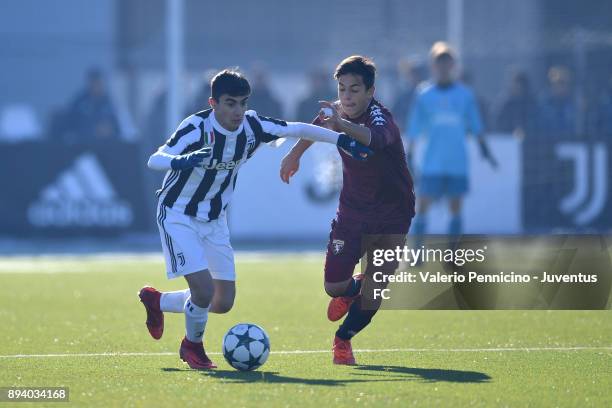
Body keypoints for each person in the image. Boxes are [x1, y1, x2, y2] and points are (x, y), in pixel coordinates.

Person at [138, 69, 371, 370]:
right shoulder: (196, 127)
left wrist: (341, 140)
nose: (237, 111)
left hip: (215, 219)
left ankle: (157, 302)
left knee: (222, 302)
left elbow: (297, 128)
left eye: (242, 103)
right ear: (213, 103)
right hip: (178, 215)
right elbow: (155, 159)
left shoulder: (252, 126)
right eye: (230, 103)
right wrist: (181, 161)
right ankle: (192, 347)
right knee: (204, 291)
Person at [280, 56, 415, 365]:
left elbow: (376, 140)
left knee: (377, 286)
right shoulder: (337, 113)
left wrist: (341, 124)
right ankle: (351, 287)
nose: (347, 97)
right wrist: (294, 154)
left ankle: (343, 340)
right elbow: (317, 128)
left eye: (355, 89)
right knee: (333, 287)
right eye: (342, 89)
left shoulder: (381, 118)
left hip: (393, 213)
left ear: (370, 91)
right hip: (353, 212)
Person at [407, 42, 496, 245]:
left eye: (447, 63)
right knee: (423, 206)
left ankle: (452, 252)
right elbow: (414, 128)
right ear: (433, 66)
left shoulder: (465, 95)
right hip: (432, 162)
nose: (443, 67)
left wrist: (485, 150)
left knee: (456, 207)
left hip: (457, 162)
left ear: (453, 65)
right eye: (439, 63)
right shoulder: (424, 94)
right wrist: (409, 154)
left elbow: (476, 125)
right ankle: (417, 251)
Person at [495, 70, 536, 138]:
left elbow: (535, 121)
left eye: (520, 85)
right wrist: (512, 130)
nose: (517, 88)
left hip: (530, 140)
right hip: (507, 140)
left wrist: (525, 130)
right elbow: (498, 123)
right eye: (515, 85)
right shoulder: (505, 103)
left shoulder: (532, 103)